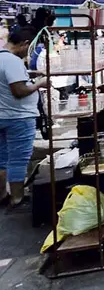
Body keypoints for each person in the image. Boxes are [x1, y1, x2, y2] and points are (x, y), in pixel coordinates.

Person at [1, 28, 48, 208]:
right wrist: (39, 83)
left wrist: (29, 76)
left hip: (3, 115)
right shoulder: (11, 61)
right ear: (25, 44)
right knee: (18, 159)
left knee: (2, 158)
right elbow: (19, 91)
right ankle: (17, 198)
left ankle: (3, 195)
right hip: (17, 117)